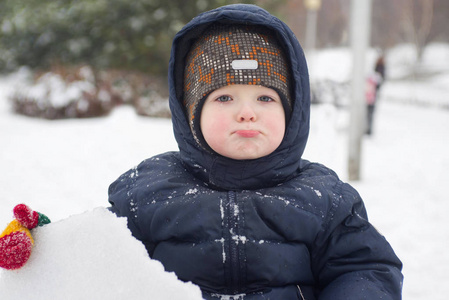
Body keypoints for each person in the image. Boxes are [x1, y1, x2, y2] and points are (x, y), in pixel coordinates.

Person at [108, 4, 403, 299]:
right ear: (191, 115)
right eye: (224, 97)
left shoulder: (324, 198)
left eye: (265, 97)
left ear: (291, 112)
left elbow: (364, 268)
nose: (247, 112)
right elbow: (99, 263)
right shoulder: (146, 192)